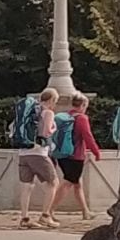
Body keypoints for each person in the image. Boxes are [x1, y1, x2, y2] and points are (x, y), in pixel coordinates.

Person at [50, 92, 102, 222]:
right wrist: (96, 151)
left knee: (77, 183)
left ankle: (85, 211)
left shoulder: (66, 117)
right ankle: (48, 211)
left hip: (62, 154)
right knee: (68, 182)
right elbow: (87, 136)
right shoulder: (82, 118)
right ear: (83, 105)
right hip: (76, 155)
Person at [19, 88, 61, 229]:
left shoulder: (30, 111)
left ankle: (24, 218)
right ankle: (45, 216)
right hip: (38, 152)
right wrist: (54, 129)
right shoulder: (47, 112)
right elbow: (45, 132)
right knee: (54, 182)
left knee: (27, 186)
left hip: (23, 152)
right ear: (51, 100)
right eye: (55, 101)